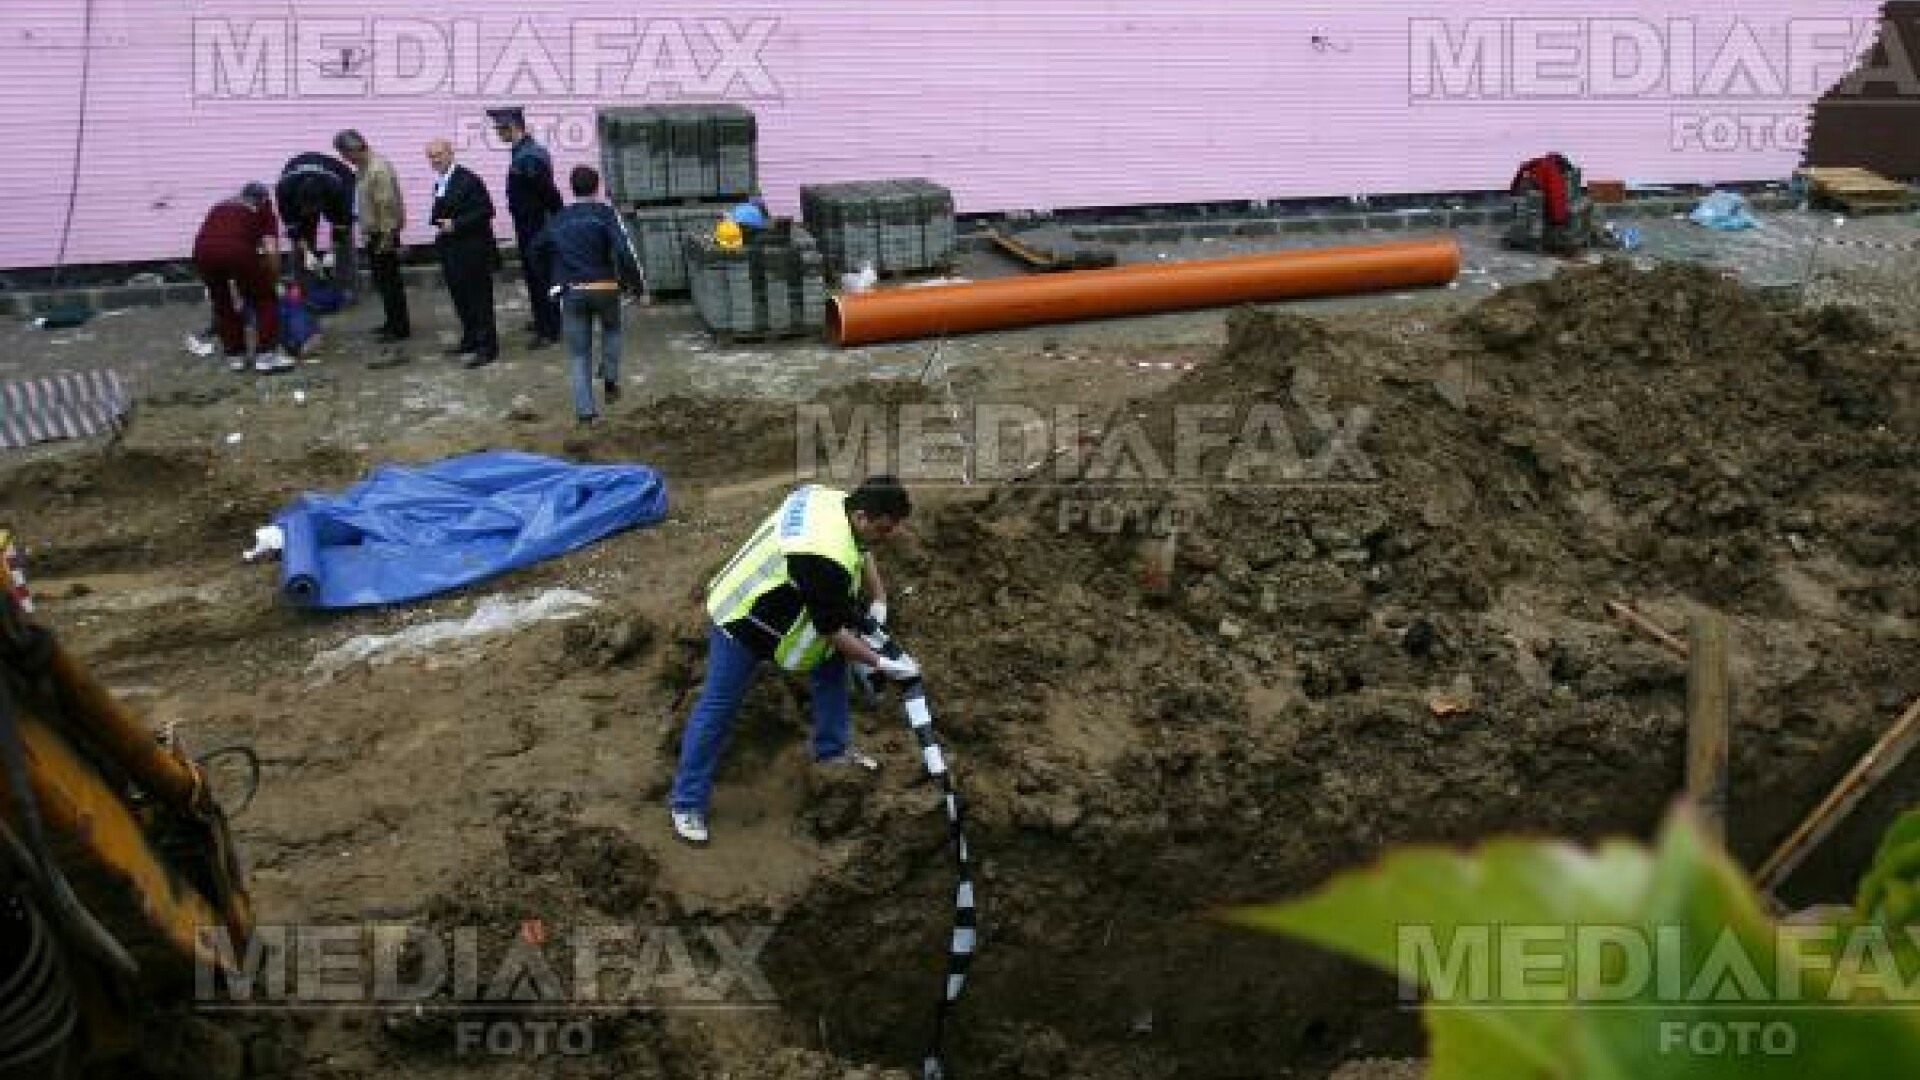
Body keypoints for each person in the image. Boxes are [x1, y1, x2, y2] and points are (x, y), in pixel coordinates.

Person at [668, 477, 919, 847]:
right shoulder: (824, 555)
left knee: (830, 669)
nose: (890, 535)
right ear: (863, 516)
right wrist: (882, 663)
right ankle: (686, 802)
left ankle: (832, 753)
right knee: (719, 706)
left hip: (788, 605)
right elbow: (832, 629)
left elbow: (863, 551)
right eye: (885, 528)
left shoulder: (833, 501)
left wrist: (878, 596)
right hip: (742, 617)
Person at [529, 165, 646, 426]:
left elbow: (535, 249)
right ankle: (611, 379)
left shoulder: (558, 218)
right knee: (612, 330)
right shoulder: (605, 214)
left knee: (579, 354)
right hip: (604, 287)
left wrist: (551, 278)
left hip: (572, 291)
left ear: (571, 187)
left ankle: (587, 415)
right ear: (597, 187)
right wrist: (637, 287)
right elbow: (626, 252)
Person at [191, 183, 293, 373]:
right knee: (265, 299)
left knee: (222, 303)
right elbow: (271, 250)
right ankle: (266, 356)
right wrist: (273, 279)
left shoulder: (220, 206)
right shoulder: (264, 209)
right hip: (237, 251)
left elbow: (215, 235)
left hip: (202, 252)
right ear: (263, 199)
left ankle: (235, 357)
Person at [488, 107, 564, 349]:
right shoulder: (523, 151)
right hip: (529, 224)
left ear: (513, 128)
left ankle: (549, 329)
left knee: (539, 277)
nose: (498, 134)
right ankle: (543, 319)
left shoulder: (529, 157)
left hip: (536, 225)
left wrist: (558, 217)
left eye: (500, 129)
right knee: (535, 276)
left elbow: (547, 192)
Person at [425, 138, 501, 368]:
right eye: (430, 156)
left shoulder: (468, 180)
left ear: (450, 153)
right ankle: (470, 339)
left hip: (472, 250)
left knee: (479, 300)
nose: (434, 160)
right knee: (460, 297)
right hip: (452, 250)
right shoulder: (441, 180)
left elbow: (486, 210)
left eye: (438, 155)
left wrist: (457, 224)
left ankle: (487, 347)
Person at [332, 130, 410, 345]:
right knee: (383, 282)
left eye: (344, 154)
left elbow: (388, 205)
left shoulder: (378, 168)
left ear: (354, 149)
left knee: (390, 282)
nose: (344, 159)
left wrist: (387, 236)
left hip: (383, 234)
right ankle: (392, 322)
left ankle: (399, 327)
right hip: (373, 232)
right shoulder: (363, 168)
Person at [274, 150, 357, 300]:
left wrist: (331, 252)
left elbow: (342, 225)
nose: (313, 214)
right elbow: (293, 229)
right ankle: (303, 289)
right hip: (297, 186)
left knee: (344, 240)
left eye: (316, 210)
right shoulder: (284, 191)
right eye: (308, 211)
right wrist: (307, 252)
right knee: (300, 243)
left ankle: (346, 287)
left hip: (339, 181)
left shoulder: (339, 190)